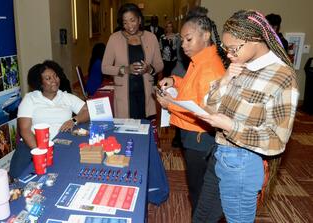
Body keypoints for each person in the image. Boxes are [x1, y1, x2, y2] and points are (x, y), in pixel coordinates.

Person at [194, 10, 299, 222]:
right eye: (226, 49)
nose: (229, 55)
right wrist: (224, 80)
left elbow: (277, 140)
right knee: (202, 216)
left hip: (243, 163)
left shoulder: (282, 76)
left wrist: (232, 126)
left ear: (255, 39)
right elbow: (209, 106)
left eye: (233, 49)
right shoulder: (240, 66)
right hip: (220, 153)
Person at [156, 7, 227, 216]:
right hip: (193, 133)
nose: (183, 46)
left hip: (201, 136)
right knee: (197, 186)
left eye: (188, 40)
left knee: (200, 189)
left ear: (205, 36)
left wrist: (170, 105)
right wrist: (175, 81)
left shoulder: (210, 68)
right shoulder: (199, 61)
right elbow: (191, 90)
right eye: (182, 40)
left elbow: (205, 110)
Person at [9, 60, 90, 177]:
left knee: (69, 173)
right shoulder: (30, 99)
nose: (54, 81)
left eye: (55, 76)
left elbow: (88, 111)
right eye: (48, 78)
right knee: (18, 176)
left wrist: (74, 120)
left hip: (62, 143)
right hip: (32, 144)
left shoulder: (66, 97)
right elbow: (25, 130)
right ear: (40, 83)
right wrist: (40, 152)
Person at [102, 3, 163, 119]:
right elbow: (104, 67)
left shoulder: (151, 38)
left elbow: (159, 64)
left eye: (132, 20)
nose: (129, 26)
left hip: (146, 94)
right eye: (125, 22)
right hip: (124, 95)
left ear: (139, 20)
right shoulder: (114, 38)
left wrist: (149, 69)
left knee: (146, 129)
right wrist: (125, 69)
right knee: (127, 131)